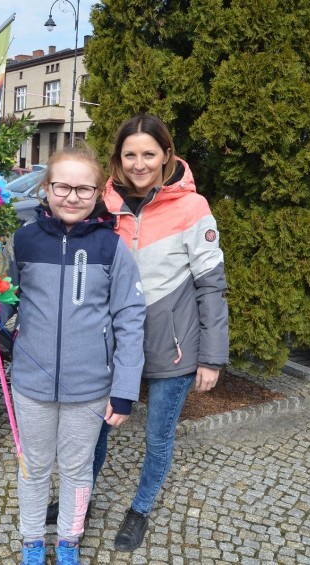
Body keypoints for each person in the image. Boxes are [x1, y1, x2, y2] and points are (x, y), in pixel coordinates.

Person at [0, 145, 146, 565]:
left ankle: (69, 540)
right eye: (62, 186)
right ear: (46, 188)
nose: (72, 197)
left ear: (98, 193)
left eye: (83, 189)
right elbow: (7, 300)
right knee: (33, 466)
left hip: (89, 387)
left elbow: (130, 318)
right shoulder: (24, 240)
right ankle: (33, 539)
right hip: (32, 385)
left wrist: (124, 388)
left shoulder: (112, 247)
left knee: (77, 469)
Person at [91, 114, 229, 552]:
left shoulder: (193, 207)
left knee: (158, 436)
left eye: (149, 153)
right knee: (96, 429)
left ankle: (141, 508)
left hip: (174, 345)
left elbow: (211, 284)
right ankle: (82, 496)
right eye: (129, 154)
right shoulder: (103, 204)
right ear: (118, 158)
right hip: (113, 345)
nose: (139, 163)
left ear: (167, 155)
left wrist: (212, 357)